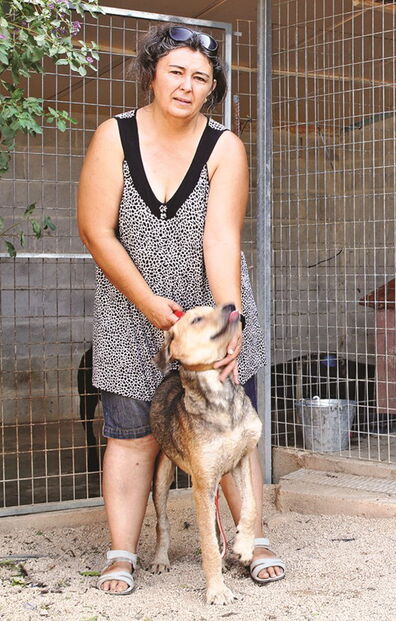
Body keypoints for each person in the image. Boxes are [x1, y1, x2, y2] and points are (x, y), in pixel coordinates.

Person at [76, 24, 284, 594]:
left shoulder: (225, 147)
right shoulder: (114, 138)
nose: (187, 85)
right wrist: (148, 305)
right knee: (130, 432)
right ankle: (122, 553)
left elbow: (221, 240)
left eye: (201, 77)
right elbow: (96, 231)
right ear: (152, 74)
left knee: (232, 427)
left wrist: (228, 320)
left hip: (209, 315)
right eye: (176, 71)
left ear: (211, 88)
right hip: (128, 304)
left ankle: (251, 539)